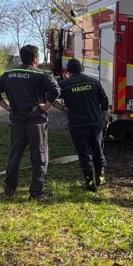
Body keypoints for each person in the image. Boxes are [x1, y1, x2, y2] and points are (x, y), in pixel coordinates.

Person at [0, 44, 60, 200]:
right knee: (40, 157)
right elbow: (56, 90)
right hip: (36, 122)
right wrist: (45, 108)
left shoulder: (9, 74)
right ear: (35, 59)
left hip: (17, 123)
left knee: (15, 156)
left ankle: (9, 189)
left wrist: (6, 107)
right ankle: (35, 192)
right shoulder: (41, 74)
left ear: (22, 57)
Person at [52, 59, 109, 191]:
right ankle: (100, 180)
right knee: (98, 151)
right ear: (81, 68)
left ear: (68, 71)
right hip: (95, 124)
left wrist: (62, 108)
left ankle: (90, 183)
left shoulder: (64, 84)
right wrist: (104, 118)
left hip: (77, 125)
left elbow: (49, 98)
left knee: (84, 153)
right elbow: (104, 101)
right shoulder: (93, 82)